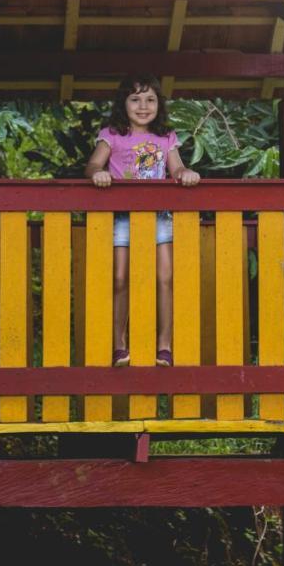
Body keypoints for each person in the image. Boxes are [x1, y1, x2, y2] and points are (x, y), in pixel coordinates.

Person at [85, 74, 200, 368]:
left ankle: (164, 346)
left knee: (165, 277)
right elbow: (94, 164)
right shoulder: (111, 134)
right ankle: (119, 345)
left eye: (150, 99)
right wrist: (99, 173)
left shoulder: (165, 137)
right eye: (135, 99)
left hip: (158, 217)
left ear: (158, 105)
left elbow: (177, 168)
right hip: (122, 219)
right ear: (123, 104)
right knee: (120, 278)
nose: (143, 106)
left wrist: (185, 174)